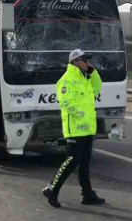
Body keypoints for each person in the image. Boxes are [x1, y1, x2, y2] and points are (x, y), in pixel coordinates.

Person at [42, 49, 106, 208]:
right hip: (75, 128)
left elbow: (97, 88)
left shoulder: (85, 78)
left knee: (84, 163)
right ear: (75, 62)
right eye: (84, 60)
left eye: (87, 61)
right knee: (72, 161)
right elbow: (65, 103)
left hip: (87, 128)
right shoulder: (66, 80)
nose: (87, 63)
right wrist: (81, 114)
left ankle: (88, 195)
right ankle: (52, 189)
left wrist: (94, 72)